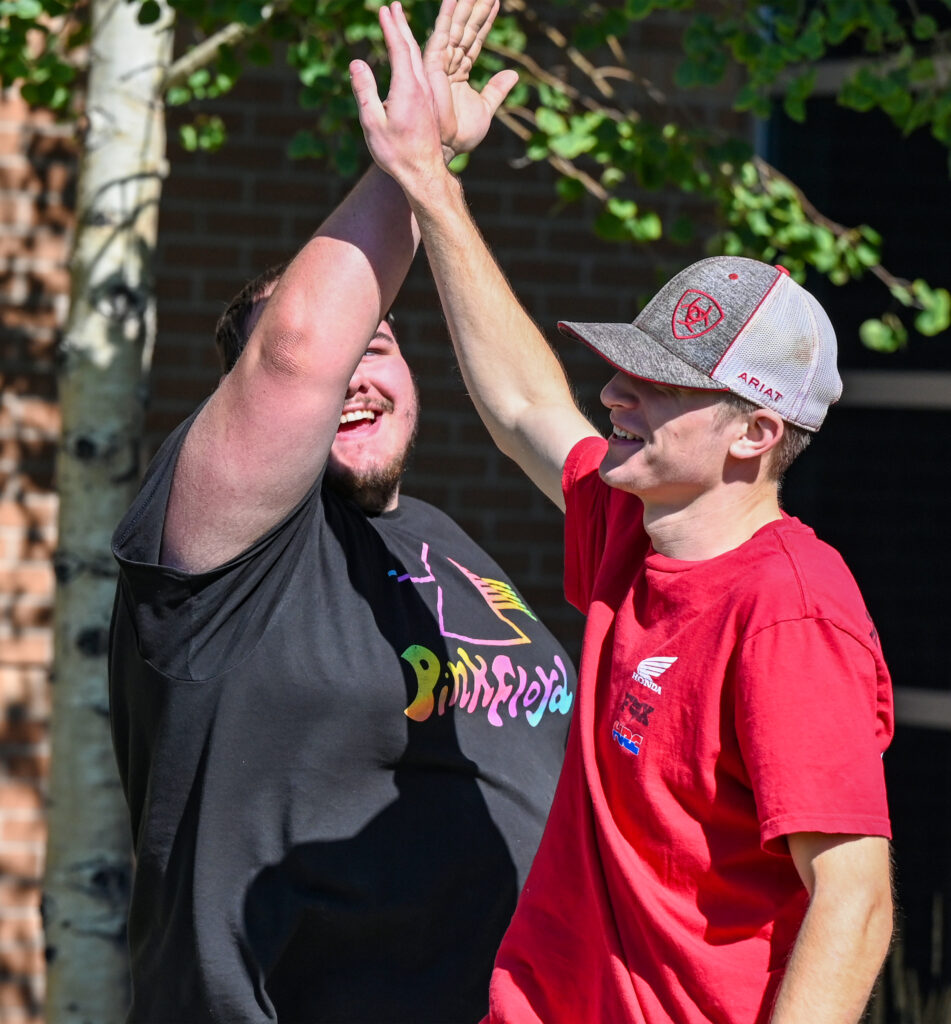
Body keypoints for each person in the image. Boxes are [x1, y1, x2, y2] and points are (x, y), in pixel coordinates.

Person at [349, 7, 895, 1022]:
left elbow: (855, 902)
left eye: (659, 386)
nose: (616, 399)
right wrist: (430, 179)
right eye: (622, 372)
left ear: (752, 434)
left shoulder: (790, 613)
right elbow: (525, 408)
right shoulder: (632, 527)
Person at [107, 3, 576, 1021]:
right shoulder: (220, 554)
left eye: (385, 349)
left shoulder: (449, 544)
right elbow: (298, 353)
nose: (358, 377)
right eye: (339, 362)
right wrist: (414, 168)